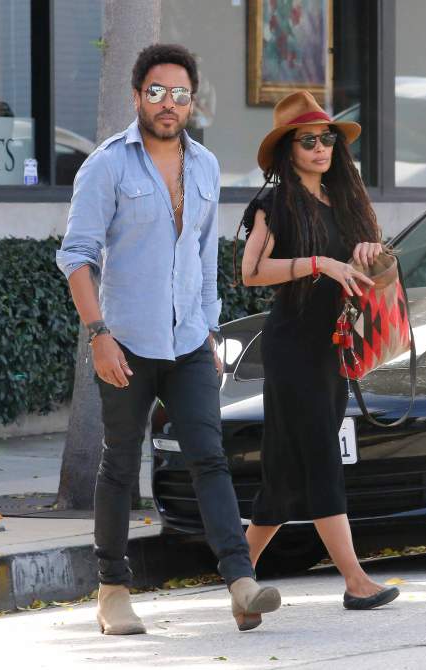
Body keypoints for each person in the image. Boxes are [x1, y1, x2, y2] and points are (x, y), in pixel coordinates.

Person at [56, 43, 280, 635]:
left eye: (180, 94)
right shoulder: (106, 165)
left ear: (191, 101)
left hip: (188, 343)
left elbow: (204, 257)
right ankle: (112, 591)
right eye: (156, 91)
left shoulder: (204, 166)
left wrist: (209, 329)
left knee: (209, 457)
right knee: (119, 465)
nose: (168, 103)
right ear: (137, 97)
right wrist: (98, 335)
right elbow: (77, 257)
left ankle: (240, 581)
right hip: (125, 342)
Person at [238, 90, 400, 610]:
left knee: (283, 478)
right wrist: (317, 264)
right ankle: (355, 580)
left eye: (326, 138)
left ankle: (238, 581)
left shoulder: (344, 202)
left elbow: (370, 276)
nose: (320, 148)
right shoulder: (275, 205)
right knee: (323, 458)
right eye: (307, 141)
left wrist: (370, 253)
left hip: (334, 348)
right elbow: (250, 272)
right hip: (294, 349)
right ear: (288, 150)